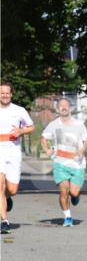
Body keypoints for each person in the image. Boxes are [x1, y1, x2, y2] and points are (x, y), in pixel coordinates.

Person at [40, 97, 87, 227]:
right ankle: (68, 217)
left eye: (66, 106)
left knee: (73, 192)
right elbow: (43, 138)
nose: (63, 108)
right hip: (60, 163)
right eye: (61, 106)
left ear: (70, 108)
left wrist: (82, 150)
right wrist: (47, 150)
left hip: (77, 164)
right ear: (58, 109)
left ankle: (76, 195)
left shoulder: (78, 124)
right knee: (63, 191)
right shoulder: (54, 124)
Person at [0, 82, 35, 234]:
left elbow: (32, 127)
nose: (5, 95)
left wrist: (21, 131)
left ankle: (7, 199)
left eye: (7, 93)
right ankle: (4, 221)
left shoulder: (19, 110)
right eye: (2, 93)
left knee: (12, 189)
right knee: (0, 186)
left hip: (13, 151)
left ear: (11, 94)